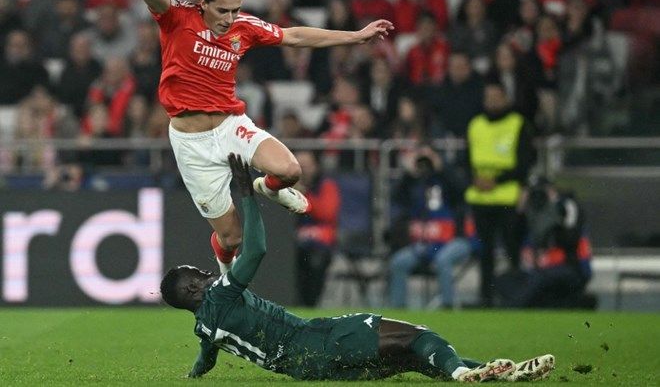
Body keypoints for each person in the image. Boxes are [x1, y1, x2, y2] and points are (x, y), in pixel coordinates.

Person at [160, 153, 555, 382]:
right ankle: (461, 374)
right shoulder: (221, 295)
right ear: (193, 291)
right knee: (419, 336)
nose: (207, 274)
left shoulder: (204, 327)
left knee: (413, 358)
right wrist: (247, 194)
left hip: (310, 369)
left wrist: (191, 376)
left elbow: (206, 358)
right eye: (199, 275)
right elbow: (257, 249)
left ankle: (501, 374)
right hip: (316, 340)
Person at [136, 0, 394, 272]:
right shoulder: (177, 17)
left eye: (236, 9)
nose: (230, 18)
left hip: (230, 125)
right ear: (202, 3)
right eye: (223, 10)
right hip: (192, 144)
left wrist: (354, 37)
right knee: (231, 238)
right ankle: (226, 277)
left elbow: (294, 36)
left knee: (290, 171)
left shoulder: (244, 27)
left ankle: (267, 187)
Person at [465, 81, 536, 307]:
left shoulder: (518, 124)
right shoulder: (475, 125)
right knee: (484, 252)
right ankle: (485, 297)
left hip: (508, 196)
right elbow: (466, 159)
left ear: (506, 98)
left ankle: (515, 297)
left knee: (512, 249)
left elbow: (525, 162)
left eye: (496, 97)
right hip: (480, 197)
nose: (492, 102)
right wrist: (474, 179)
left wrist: (496, 180)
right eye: (489, 97)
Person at [388, 145, 477, 309]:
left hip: (455, 240)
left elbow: (462, 190)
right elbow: (396, 198)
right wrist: (408, 173)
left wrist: (441, 167)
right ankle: (399, 310)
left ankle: (447, 307)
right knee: (398, 262)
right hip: (426, 244)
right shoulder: (415, 183)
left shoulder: (448, 179)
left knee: (443, 260)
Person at [499, 177, 594, 309]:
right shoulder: (531, 211)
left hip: (569, 266)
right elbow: (513, 239)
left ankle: (512, 309)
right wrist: (520, 209)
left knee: (539, 279)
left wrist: (553, 211)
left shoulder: (566, 206)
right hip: (539, 268)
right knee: (504, 280)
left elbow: (570, 238)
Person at [292, 151, 340, 307]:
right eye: (299, 166)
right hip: (291, 239)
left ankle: (310, 303)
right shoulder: (283, 186)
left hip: (320, 240)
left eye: (307, 166)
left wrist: (303, 195)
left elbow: (327, 214)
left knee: (315, 258)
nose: (303, 171)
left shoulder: (326, 185)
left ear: (316, 167)